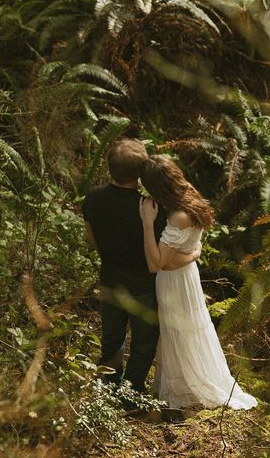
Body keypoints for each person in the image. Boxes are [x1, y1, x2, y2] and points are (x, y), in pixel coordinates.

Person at [139, 154, 257, 410]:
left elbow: (155, 263)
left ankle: (186, 387)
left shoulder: (178, 216)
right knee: (186, 329)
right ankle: (179, 382)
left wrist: (148, 223)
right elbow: (174, 257)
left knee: (180, 332)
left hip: (174, 282)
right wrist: (193, 254)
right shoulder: (190, 194)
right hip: (186, 275)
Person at [82, 139, 200, 392]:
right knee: (143, 343)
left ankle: (109, 389)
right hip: (144, 287)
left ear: (109, 168)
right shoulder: (151, 208)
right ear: (140, 173)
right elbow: (162, 255)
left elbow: (91, 238)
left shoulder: (93, 198)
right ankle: (131, 393)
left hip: (110, 279)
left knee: (112, 339)